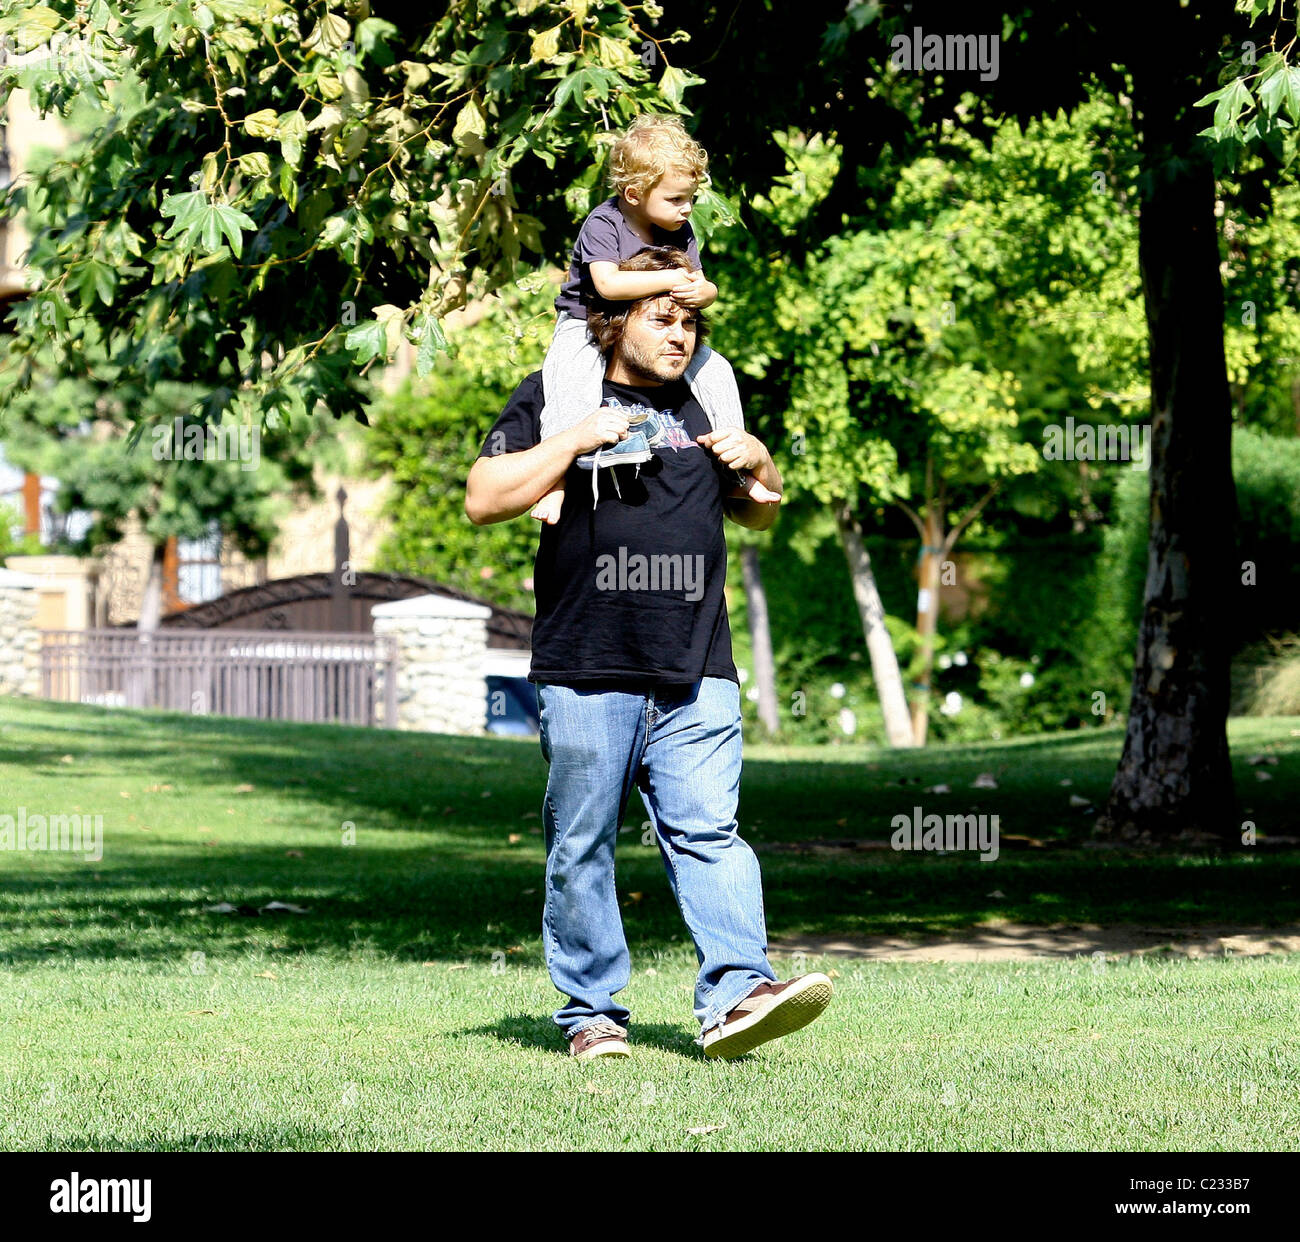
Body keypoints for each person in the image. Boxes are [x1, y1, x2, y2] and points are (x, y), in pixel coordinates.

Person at [466, 247, 833, 1061]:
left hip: (697, 660)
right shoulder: (557, 394)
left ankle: (739, 993)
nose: (678, 334)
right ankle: (591, 1012)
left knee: (710, 831)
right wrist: (575, 439)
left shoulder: (708, 399)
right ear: (615, 317)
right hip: (586, 660)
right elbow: (484, 498)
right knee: (584, 839)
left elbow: (758, 514)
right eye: (661, 317)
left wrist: (763, 463)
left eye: (690, 320)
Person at [529, 112, 780, 521]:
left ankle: (736, 471)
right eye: (676, 199)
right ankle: (555, 483)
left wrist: (705, 291)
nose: (686, 209)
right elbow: (608, 286)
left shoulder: (679, 229)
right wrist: (670, 278)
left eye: (691, 198)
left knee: (718, 372)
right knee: (569, 386)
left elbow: (702, 286)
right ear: (633, 194)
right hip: (586, 321)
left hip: (648, 325)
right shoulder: (603, 223)